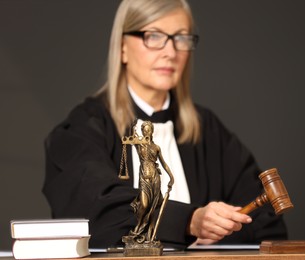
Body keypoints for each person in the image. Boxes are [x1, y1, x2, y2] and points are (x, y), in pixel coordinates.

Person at [43, 0, 287, 249]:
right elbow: (95, 209)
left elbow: (266, 226)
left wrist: (217, 234)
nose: (170, 52)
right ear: (122, 47)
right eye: (153, 36)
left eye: (181, 39)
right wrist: (189, 222)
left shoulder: (209, 131)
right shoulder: (83, 128)